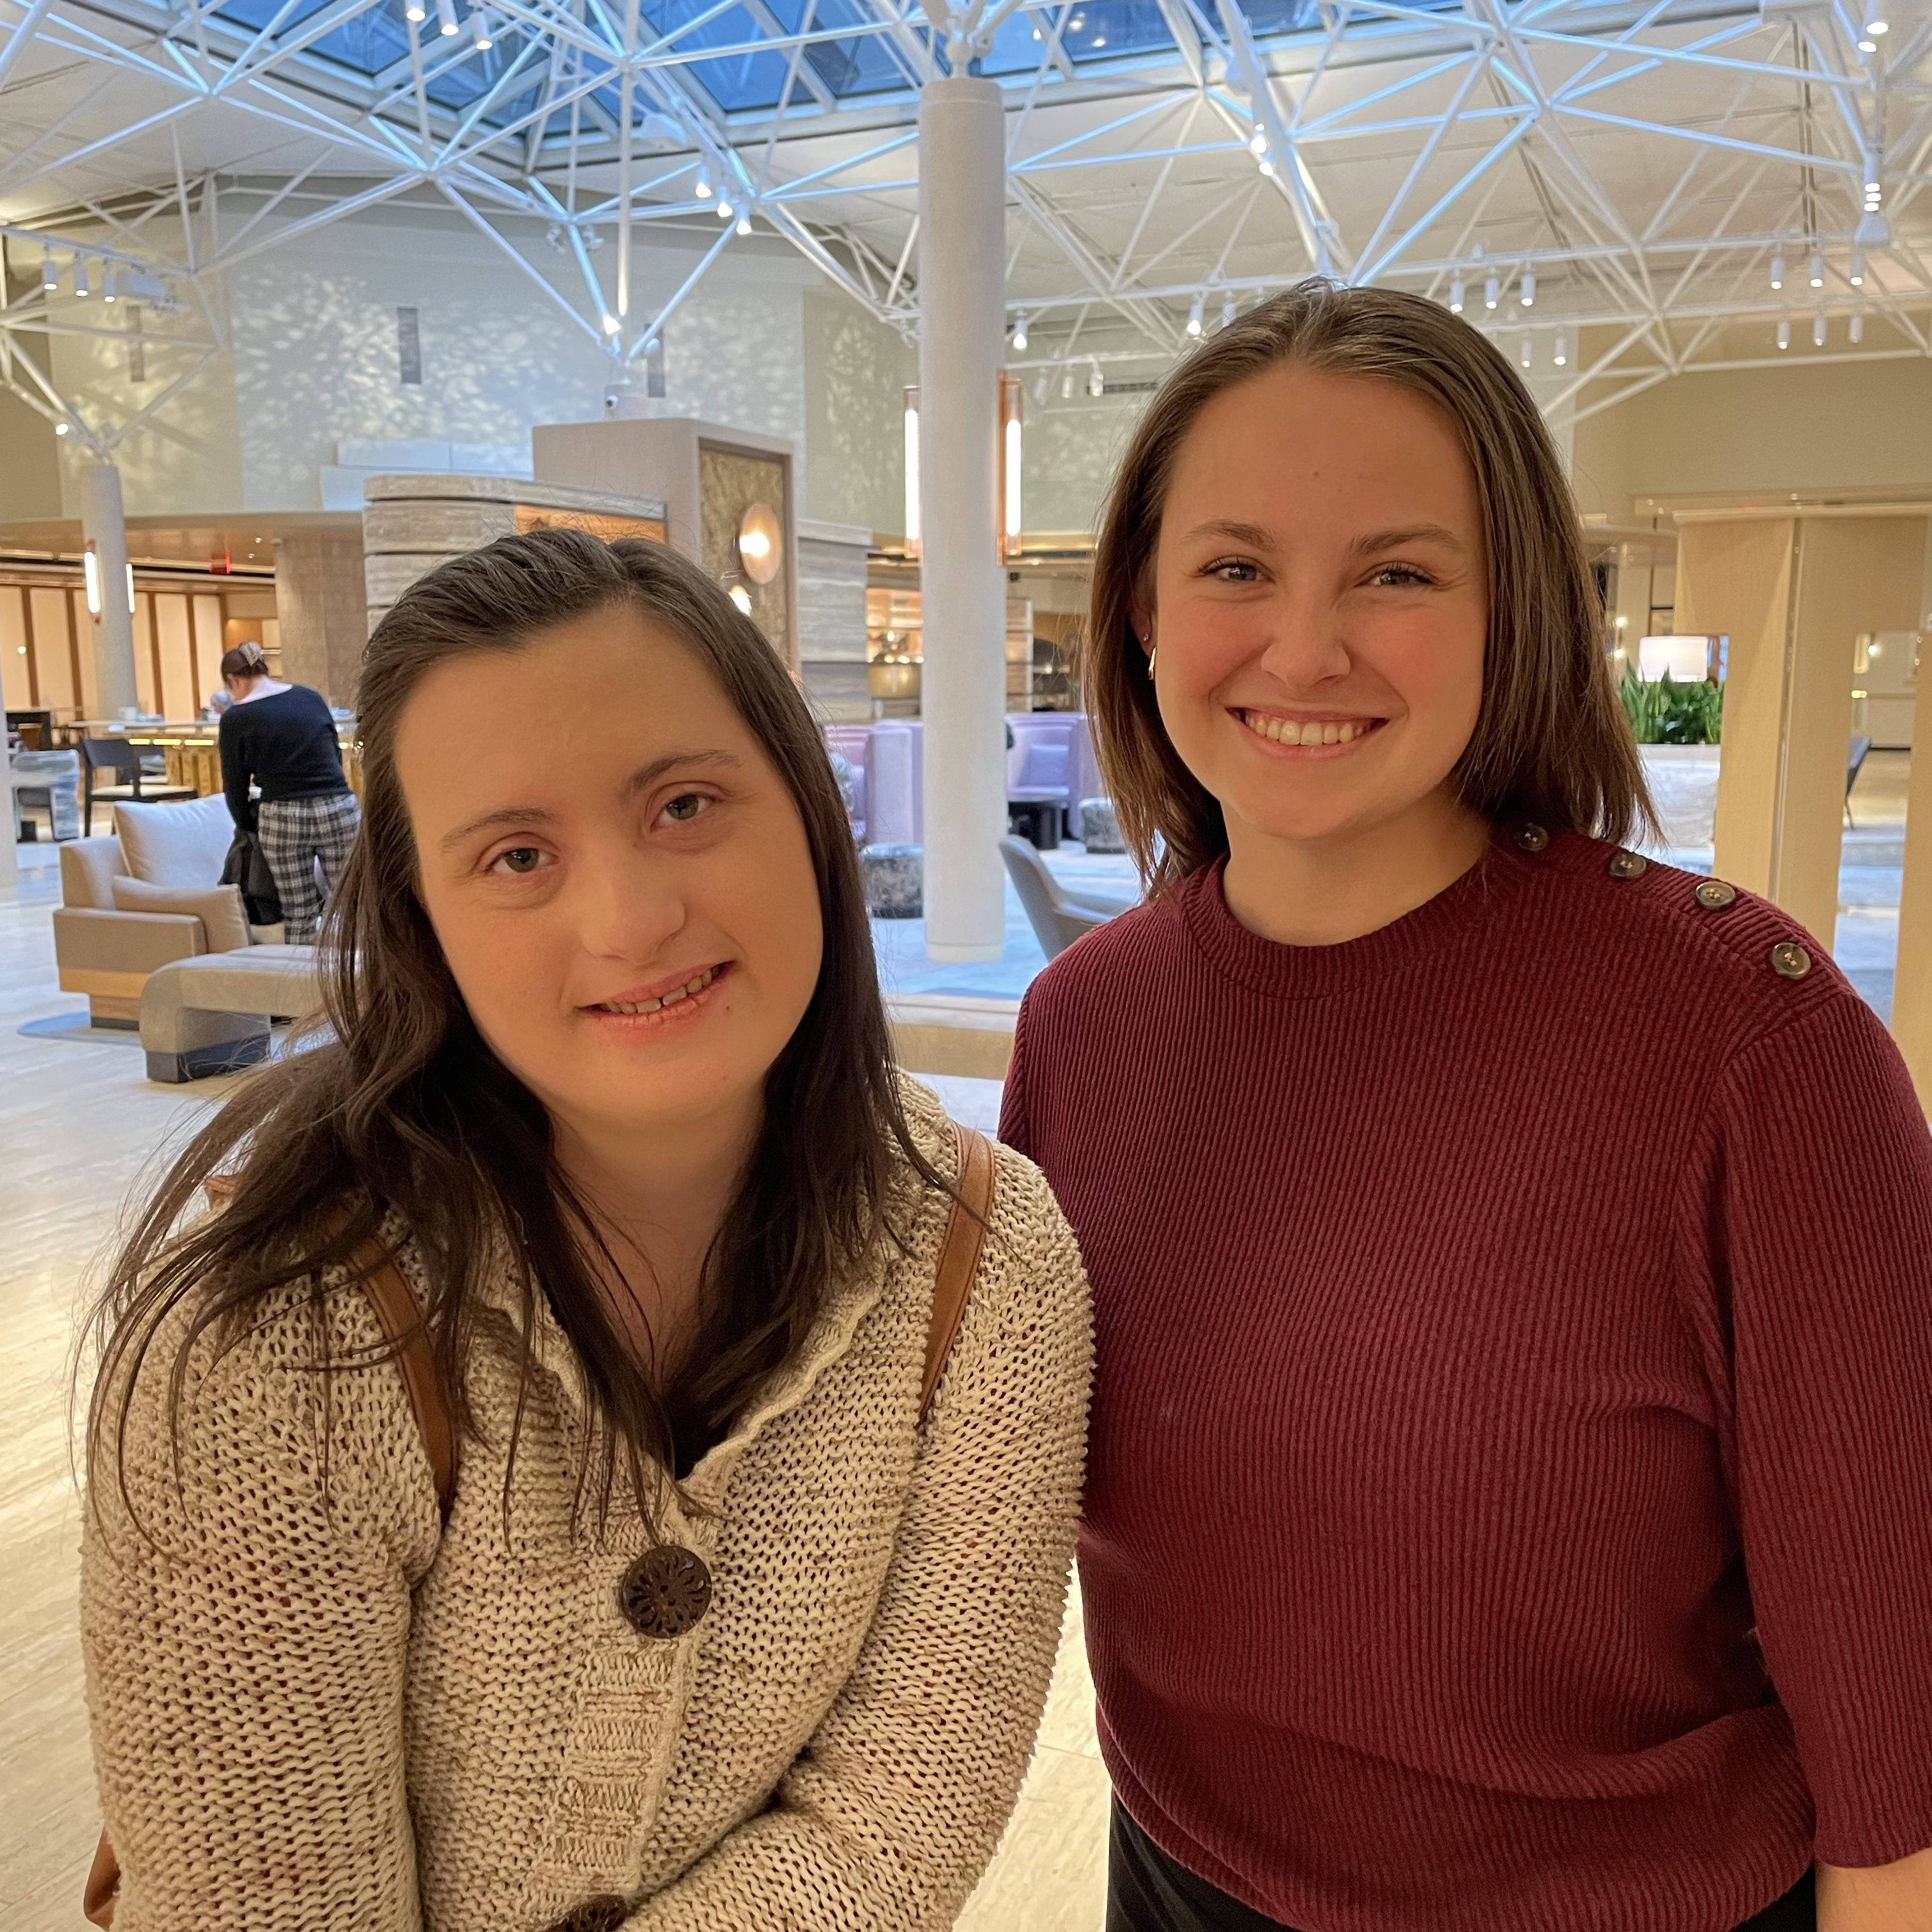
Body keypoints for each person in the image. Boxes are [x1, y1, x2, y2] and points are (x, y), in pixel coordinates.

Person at [1000, 280, 1932, 1932]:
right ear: (1141, 609)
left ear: (1516, 617)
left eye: (1398, 573)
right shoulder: (1085, 1033)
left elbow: (1889, 1672)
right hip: (1182, 1882)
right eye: (1233, 567)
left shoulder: (1743, 1038)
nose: (1303, 646)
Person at [82, 528, 1092, 1932]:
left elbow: (899, 1823)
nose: (631, 918)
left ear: (807, 809)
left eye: (684, 804)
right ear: (425, 920)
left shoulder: (989, 1263)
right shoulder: (273, 1351)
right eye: (515, 855)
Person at [215, 638, 358, 942]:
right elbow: (334, 754)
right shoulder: (309, 697)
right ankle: (365, 976)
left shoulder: (235, 718)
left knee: (299, 913)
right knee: (354, 905)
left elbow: (235, 786)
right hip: (338, 805)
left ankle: (303, 984)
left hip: (282, 814)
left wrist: (247, 825)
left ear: (233, 681)